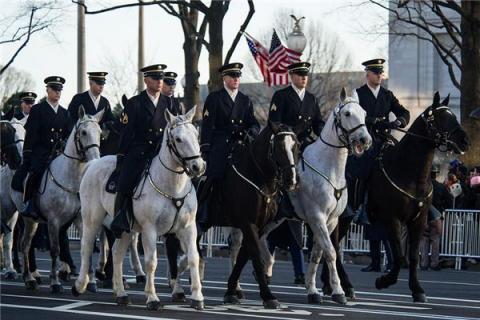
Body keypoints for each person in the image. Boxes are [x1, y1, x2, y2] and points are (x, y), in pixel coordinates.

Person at [110, 64, 171, 238]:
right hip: (140, 151)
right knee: (126, 181)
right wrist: (122, 157)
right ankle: (121, 216)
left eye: (161, 78)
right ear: (146, 80)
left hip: (162, 151)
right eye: (155, 78)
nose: (159, 81)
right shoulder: (135, 103)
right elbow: (126, 133)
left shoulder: (169, 102)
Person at [197, 62, 260, 228]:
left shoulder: (245, 100)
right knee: (213, 175)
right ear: (224, 78)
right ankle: (201, 211)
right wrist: (205, 148)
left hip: (240, 146)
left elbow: (253, 123)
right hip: (220, 146)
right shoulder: (215, 98)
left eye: (238, 76)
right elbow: (208, 125)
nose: (236, 79)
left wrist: (252, 131)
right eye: (232, 76)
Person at [12, 76, 71, 220]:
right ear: (48, 90)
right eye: (55, 90)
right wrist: (28, 155)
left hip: (58, 153)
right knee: (36, 172)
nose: (58, 93)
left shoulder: (64, 112)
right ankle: (31, 203)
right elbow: (31, 134)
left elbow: (68, 134)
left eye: (60, 90)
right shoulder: (38, 109)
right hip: (41, 152)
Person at [268, 61, 324, 151]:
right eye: (300, 74)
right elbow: (274, 122)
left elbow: (317, 123)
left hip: (307, 143)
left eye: (305, 75)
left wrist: (324, 132)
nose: (304, 78)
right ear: (292, 76)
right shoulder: (281, 95)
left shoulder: (312, 98)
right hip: (286, 144)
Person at [420, 165, 452, 271]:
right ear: (436, 174)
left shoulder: (422, 187)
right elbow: (449, 202)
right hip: (437, 216)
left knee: (424, 239)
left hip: (423, 216)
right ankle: (434, 263)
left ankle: (424, 263)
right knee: (435, 239)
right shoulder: (441, 187)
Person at [267, 220, 305, 285]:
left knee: (296, 246)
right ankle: (264, 271)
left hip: (287, 219)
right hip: (282, 219)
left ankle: (300, 274)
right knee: (270, 244)